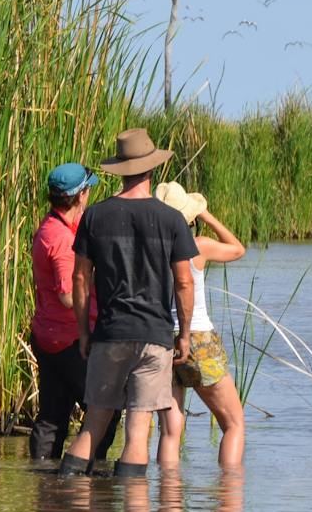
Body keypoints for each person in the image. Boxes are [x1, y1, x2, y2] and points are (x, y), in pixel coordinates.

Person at [58, 128, 198, 479]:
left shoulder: (95, 217)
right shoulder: (172, 220)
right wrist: (183, 336)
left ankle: (66, 503)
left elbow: (80, 278)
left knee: (93, 424)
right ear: (151, 170)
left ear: (121, 168)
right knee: (137, 430)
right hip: (154, 336)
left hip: (109, 334)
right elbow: (184, 281)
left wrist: (84, 332)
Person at [153, 183, 248, 468]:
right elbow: (238, 249)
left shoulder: (152, 248)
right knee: (233, 424)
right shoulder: (199, 245)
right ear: (190, 218)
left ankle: (168, 502)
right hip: (197, 338)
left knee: (170, 431)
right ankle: (229, 497)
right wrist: (206, 215)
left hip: (160, 337)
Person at [29, 162, 117, 462]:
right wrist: (102, 277)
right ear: (80, 195)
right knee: (105, 409)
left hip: (47, 335)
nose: (90, 193)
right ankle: (85, 470)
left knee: (53, 416)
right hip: (69, 340)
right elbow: (68, 295)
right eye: (88, 189)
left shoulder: (52, 226)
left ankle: (45, 484)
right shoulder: (61, 239)